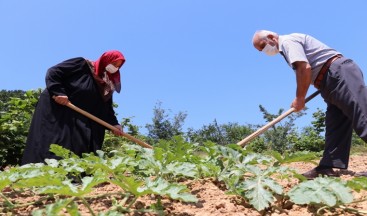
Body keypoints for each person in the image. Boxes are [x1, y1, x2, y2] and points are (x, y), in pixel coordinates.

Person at [252, 30, 367, 179]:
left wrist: (300, 98)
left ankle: (329, 166)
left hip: (338, 73)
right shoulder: (285, 48)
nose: (264, 51)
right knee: (336, 124)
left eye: (262, 46)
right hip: (327, 82)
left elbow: (304, 68)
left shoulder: (287, 42)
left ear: (271, 38)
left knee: (362, 116)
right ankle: (329, 166)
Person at [21, 50, 125, 165]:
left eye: (118, 67)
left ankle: (76, 177)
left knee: (83, 143)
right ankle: (40, 174)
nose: (115, 68)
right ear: (105, 60)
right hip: (58, 108)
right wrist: (58, 92)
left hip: (80, 117)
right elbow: (54, 72)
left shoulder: (106, 85)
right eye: (114, 64)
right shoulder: (81, 64)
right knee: (54, 143)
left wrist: (114, 124)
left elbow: (106, 107)